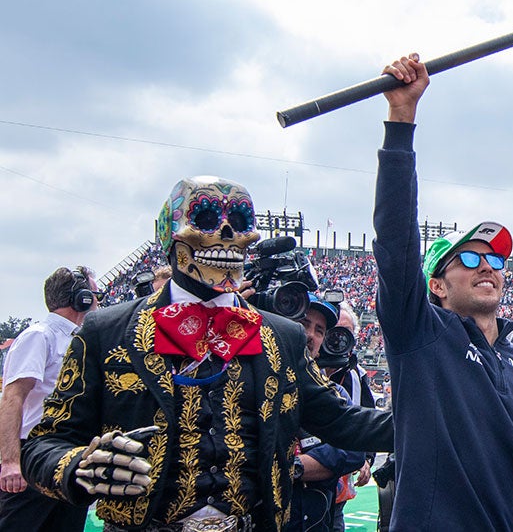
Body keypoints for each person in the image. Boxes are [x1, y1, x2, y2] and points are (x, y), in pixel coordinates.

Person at [21, 175, 393, 532]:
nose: (228, 233)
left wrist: (440, 419)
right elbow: (43, 443)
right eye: (206, 218)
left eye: (240, 221)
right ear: (172, 231)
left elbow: (345, 421)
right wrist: (77, 467)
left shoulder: (283, 337)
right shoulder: (107, 331)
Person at [373, 53, 513, 531]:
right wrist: (401, 120)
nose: (487, 267)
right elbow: (395, 243)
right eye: (469, 258)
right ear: (436, 284)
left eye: (495, 259)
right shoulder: (420, 335)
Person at [0, 266, 100, 531]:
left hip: (69, 455)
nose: (98, 301)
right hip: (33, 454)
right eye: (94, 294)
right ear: (82, 298)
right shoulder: (39, 335)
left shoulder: (80, 339)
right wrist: (11, 461)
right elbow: (13, 398)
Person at [287, 295, 368, 532]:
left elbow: (353, 450)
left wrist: (292, 467)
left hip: (318, 519)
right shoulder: (257, 383)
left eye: (319, 330)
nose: (310, 335)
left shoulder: (337, 391)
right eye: (303, 324)